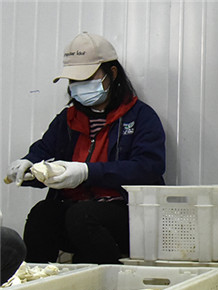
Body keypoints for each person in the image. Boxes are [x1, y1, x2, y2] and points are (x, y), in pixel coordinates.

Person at [4, 32, 166, 264]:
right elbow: (44, 150)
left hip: (127, 215)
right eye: (74, 80)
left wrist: (86, 172)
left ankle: (108, 277)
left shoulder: (140, 117)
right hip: (76, 214)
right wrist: (28, 165)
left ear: (112, 73)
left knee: (82, 215)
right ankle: (35, 277)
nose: (79, 86)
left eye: (86, 78)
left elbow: (148, 168)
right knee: (43, 213)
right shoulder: (67, 119)